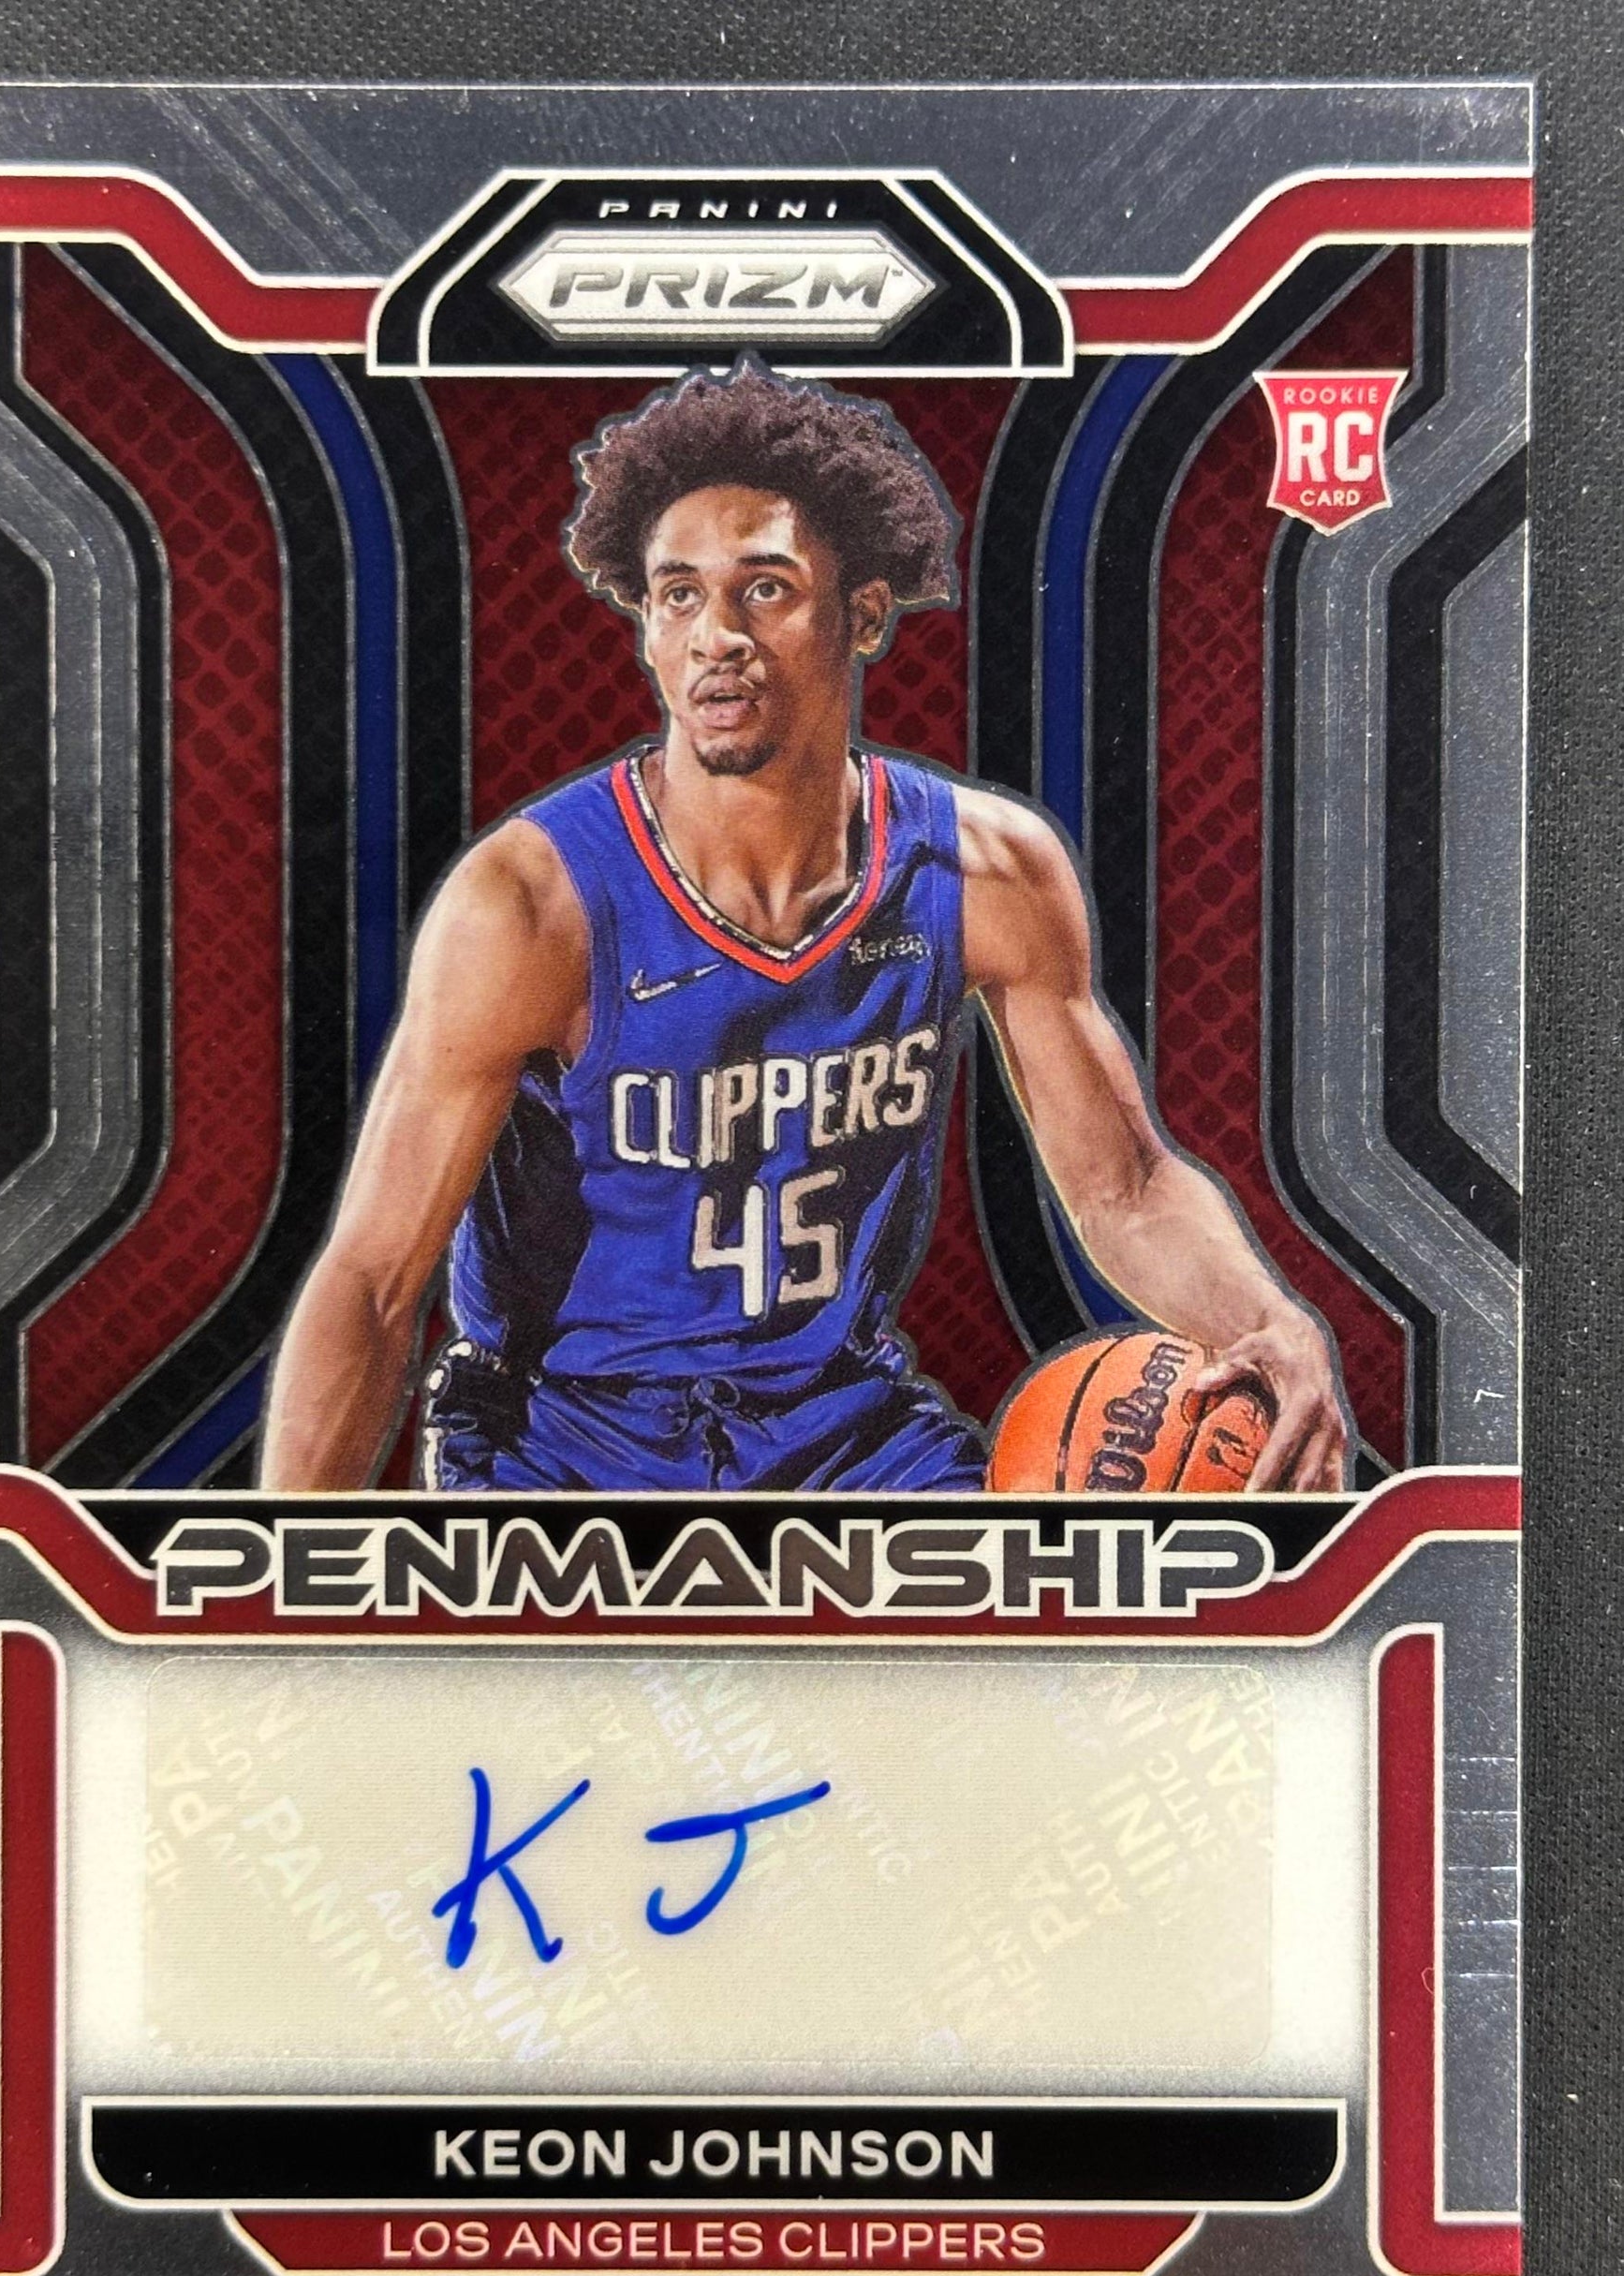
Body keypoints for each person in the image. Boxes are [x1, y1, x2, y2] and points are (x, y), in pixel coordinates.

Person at [260, 362, 1348, 1494]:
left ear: (863, 615)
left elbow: (1123, 1188)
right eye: (677, 595)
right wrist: (285, 1569)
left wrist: (1265, 1322)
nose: (715, 635)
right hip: (567, 1442)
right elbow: (374, 1283)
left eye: (765, 588)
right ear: (644, 627)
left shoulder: (986, 870)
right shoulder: (531, 903)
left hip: (844, 1435)